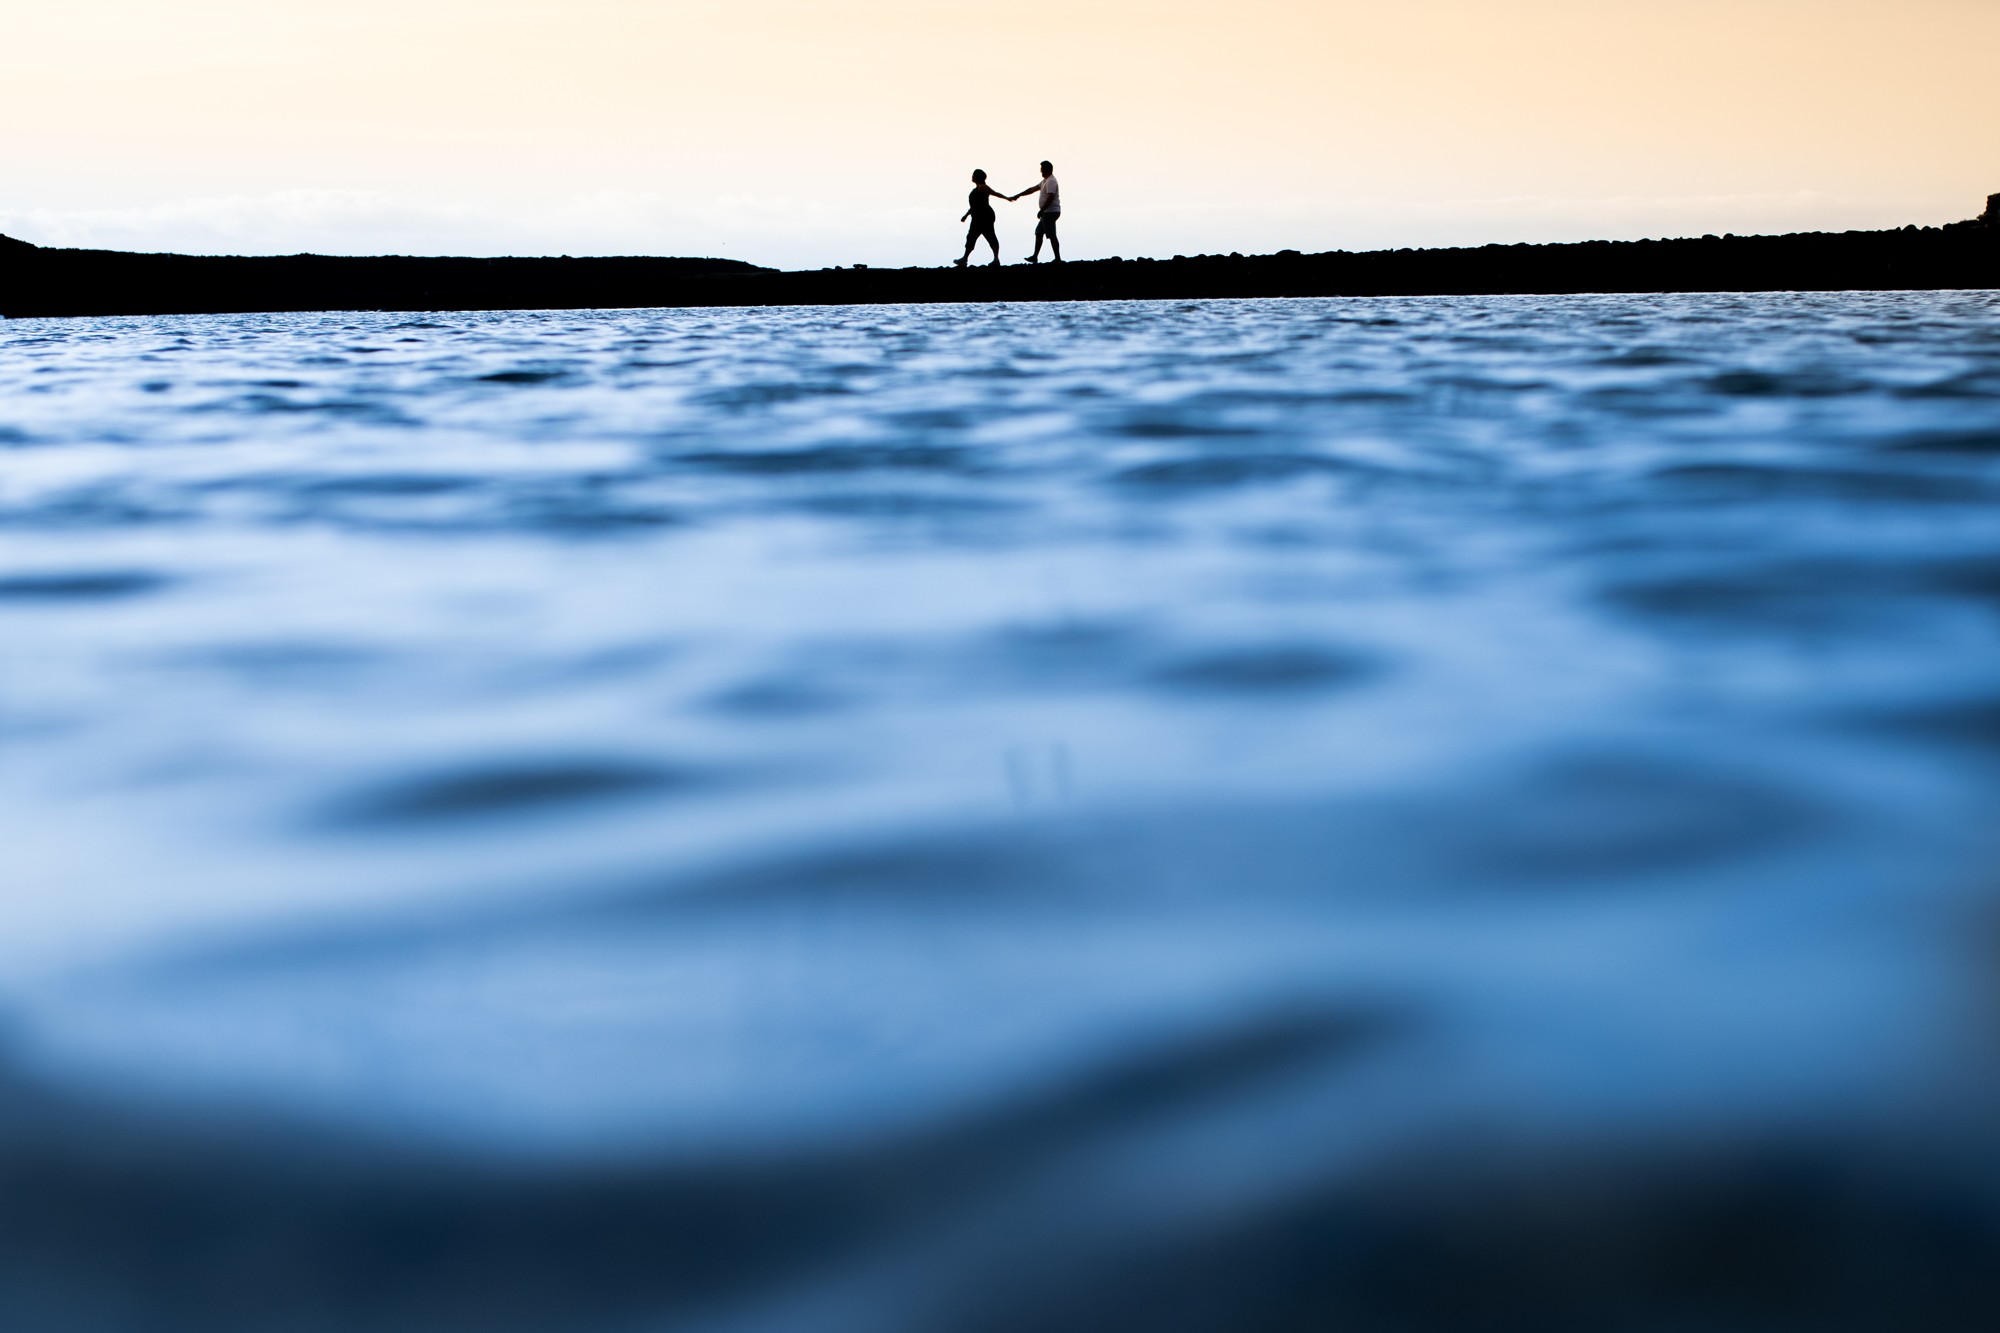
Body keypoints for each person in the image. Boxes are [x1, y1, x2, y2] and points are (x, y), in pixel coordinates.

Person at [955, 170, 1009, 268]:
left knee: (990, 236)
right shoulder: (977, 188)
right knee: (971, 237)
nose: (972, 176)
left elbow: (995, 193)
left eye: (973, 175)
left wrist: (1008, 198)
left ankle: (996, 259)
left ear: (978, 177)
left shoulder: (983, 187)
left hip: (985, 216)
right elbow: (974, 205)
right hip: (976, 216)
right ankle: (964, 258)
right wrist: (966, 215)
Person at [1010, 160, 1061, 264]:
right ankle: (1035, 256)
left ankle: (1057, 259)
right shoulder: (1044, 181)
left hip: (1050, 212)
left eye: (1042, 169)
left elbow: (1051, 197)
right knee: (1039, 232)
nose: (1040, 171)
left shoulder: (1051, 181)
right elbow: (1032, 189)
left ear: (1046, 169)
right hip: (1047, 212)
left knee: (1051, 235)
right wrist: (1019, 194)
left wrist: (1042, 210)